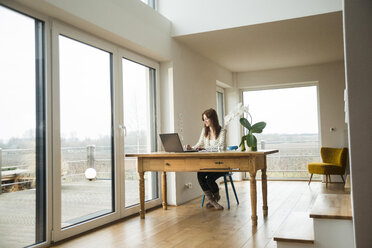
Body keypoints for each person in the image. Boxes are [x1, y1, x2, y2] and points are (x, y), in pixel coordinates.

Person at [186, 108, 226, 210]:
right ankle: (213, 200)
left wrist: (204, 148)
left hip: (222, 163)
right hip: (209, 163)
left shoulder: (222, 130)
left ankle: (215, 197)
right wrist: (192, 148)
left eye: (206, 119)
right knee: (200, 174)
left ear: (213, 119)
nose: (205, 122)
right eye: (203, 120)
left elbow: (220, 147)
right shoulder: (204, 131)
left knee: (210, 179)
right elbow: (199, 144)